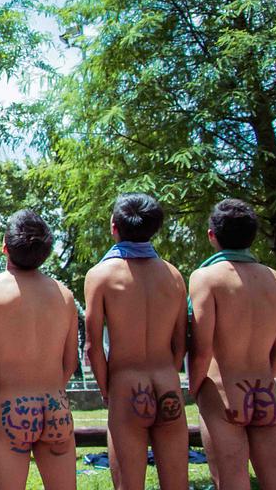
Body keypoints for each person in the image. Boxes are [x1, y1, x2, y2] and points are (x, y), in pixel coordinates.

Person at [84, 193, 188, 490]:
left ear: (114, 226)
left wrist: (107, 391)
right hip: (167, 384)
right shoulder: (173, 275)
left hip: (127, 387)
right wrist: (170, 372)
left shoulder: (100, 276)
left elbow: (92, 347)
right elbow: (180, 343)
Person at [188, 199, 276, 489]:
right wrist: (268, 377)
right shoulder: (275, 280)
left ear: (212, 235)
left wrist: (195, 388)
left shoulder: (205, 278)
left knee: (231, 481)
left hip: (222, 394)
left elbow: (201, 350)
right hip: (264, 393)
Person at [0, 210, 78, 490]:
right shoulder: (64, 296)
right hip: (56, 407)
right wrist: (53, 390)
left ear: (5, 247)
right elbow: (70, 362)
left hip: (11, 408)